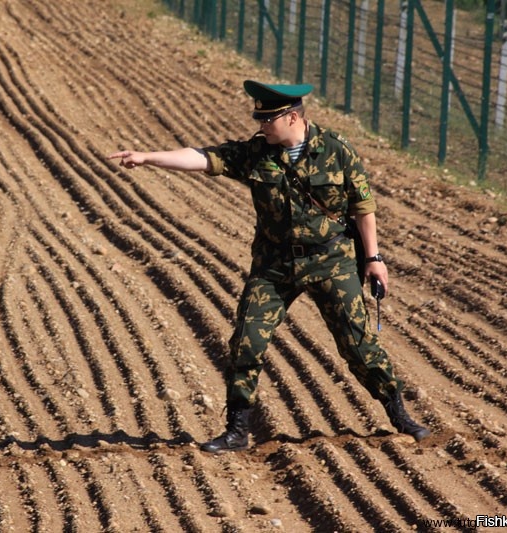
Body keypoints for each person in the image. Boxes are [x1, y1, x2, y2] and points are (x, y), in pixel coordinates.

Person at [108, 81, 430, 453]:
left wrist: (373, 259)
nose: (260, 125)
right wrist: (148, 157)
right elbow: (201, 157)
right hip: (274, 264)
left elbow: (363, 207)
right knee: (246, 341)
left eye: (267, 119)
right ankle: (237, 429)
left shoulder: (337, 150)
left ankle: (400, 415)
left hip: (331, 261)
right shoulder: (255, 152)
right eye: (259, 118)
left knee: (358, 344)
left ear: (292, 117)